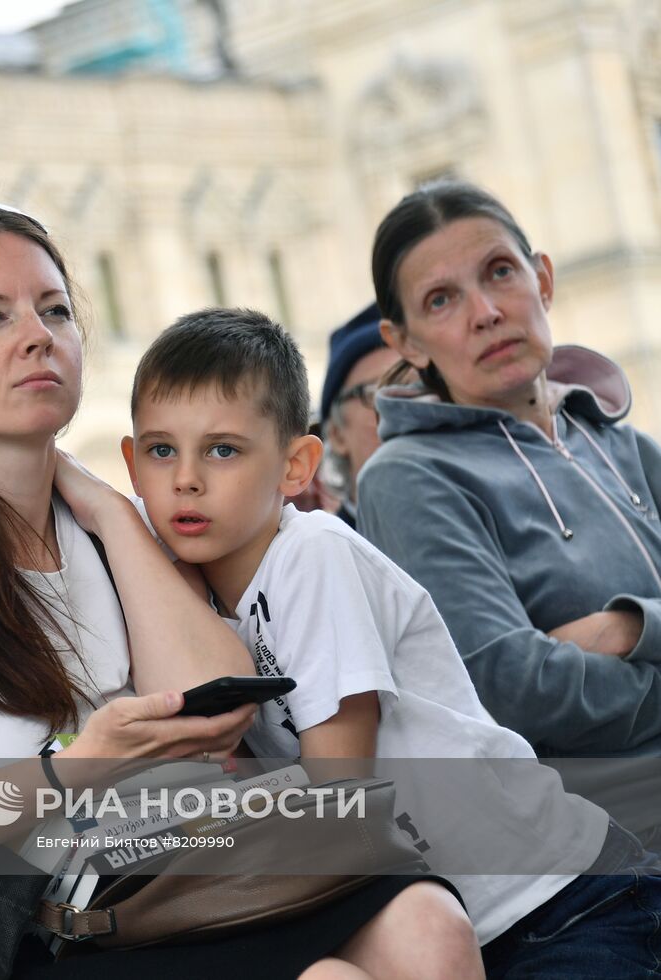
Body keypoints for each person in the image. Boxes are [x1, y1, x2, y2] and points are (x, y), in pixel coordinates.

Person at [0, 203, 471, 978]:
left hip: (183, 877)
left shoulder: (100, 526)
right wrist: (82, 768)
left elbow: (215, 713)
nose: (38, 335)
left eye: (54, 309)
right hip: (32, 929)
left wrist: (115, 517)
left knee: (428, 923)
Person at [124, 307, 661, 977]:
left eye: (223, 449)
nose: (186, 479)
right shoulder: (201, 607)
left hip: (562, 898)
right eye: (161, 449)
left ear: (297, 466)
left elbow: (337, 789)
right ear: (131, 462)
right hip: (472, 919)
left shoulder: (313, 557)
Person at [357, 181, 661, 757]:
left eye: (500, 272)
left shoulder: (631, 451)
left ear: (542, 280)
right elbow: (513, 690)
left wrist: (627, 627)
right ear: (407, 342)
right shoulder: (409, 478)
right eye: (440, 300)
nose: (486, 313)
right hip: (615, 827)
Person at [316, 302, 401, 529]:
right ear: (337, 434)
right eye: (378, 393)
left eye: (420, 388)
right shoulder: (325, 556)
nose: (408, 408)